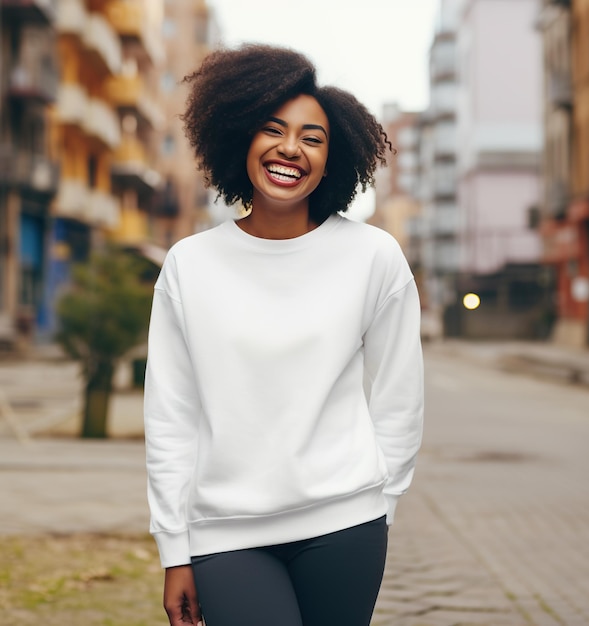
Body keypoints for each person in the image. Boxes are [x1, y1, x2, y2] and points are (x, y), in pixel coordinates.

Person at [144, 43, 424, 626]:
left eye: (312, 138)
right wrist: (175, 548)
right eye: (273, 129)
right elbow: (171, 417)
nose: (290, 148)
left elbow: (399, 399)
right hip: (225, 533)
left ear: (332, 156)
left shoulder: (372, 256)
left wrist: (382, 504)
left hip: (346, 527)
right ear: (240, 136)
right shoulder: (189, 264)